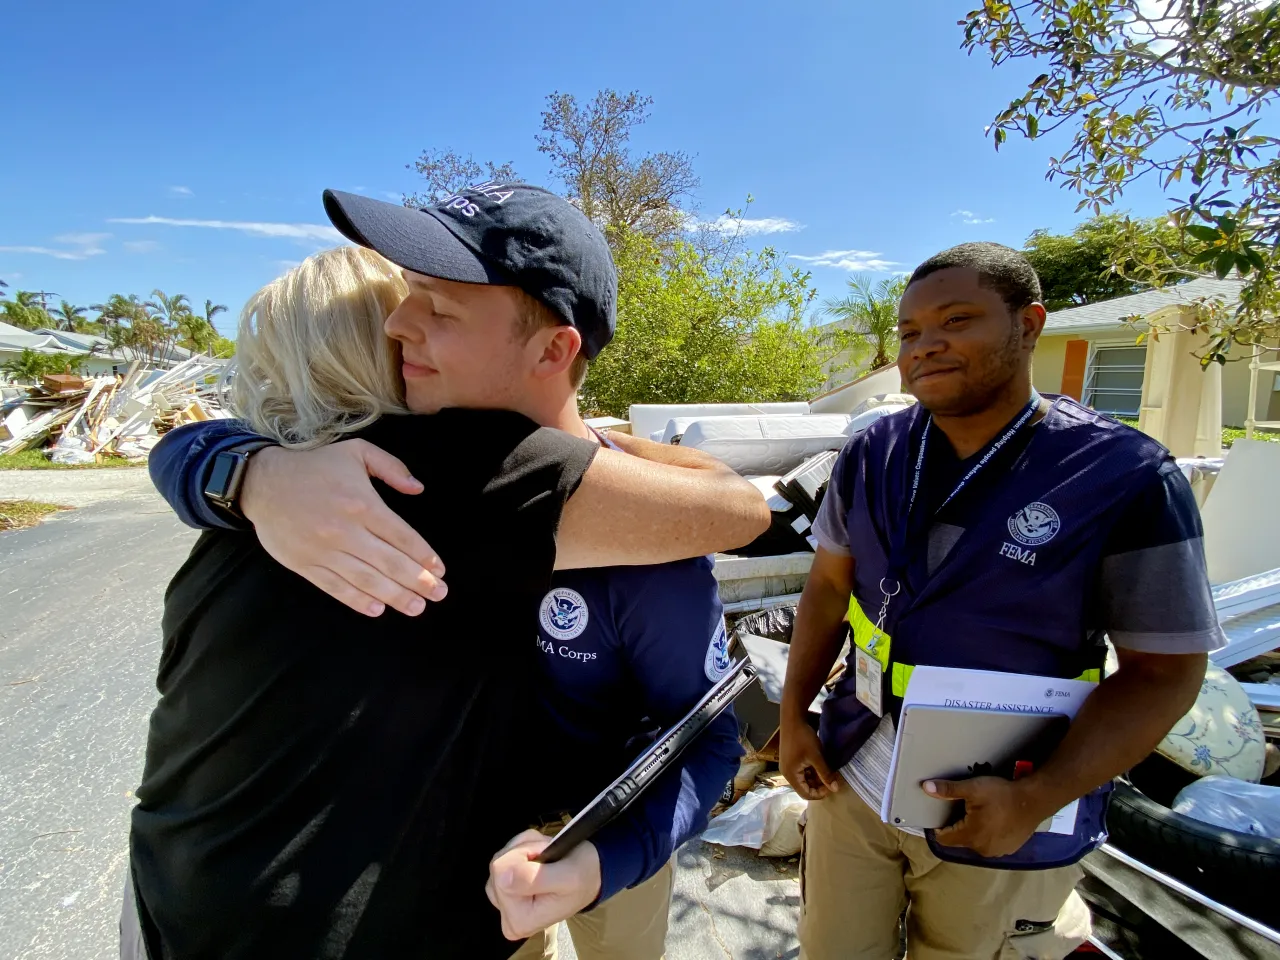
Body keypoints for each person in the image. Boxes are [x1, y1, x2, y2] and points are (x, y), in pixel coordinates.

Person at [125, 192, 769, 960]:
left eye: (441, 307)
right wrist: (246, 466)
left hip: (605, 824)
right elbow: (731, 501)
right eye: (404, 298)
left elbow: (706, 727)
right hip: (464, 864)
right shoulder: (373, 476)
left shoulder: (607, 527)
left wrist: (611, 856)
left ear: (552, 350)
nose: (401, 324)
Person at [779, 242, 1221, 960]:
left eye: (958, 320)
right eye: (911, 332)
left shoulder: (1126, 479)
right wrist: (795, 718)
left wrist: (1038, 797)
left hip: (1001, 802)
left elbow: (1165, 672)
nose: (926, 346)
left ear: (1030, 323)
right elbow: (828, 587)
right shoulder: (873, 453)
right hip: (853, 775)